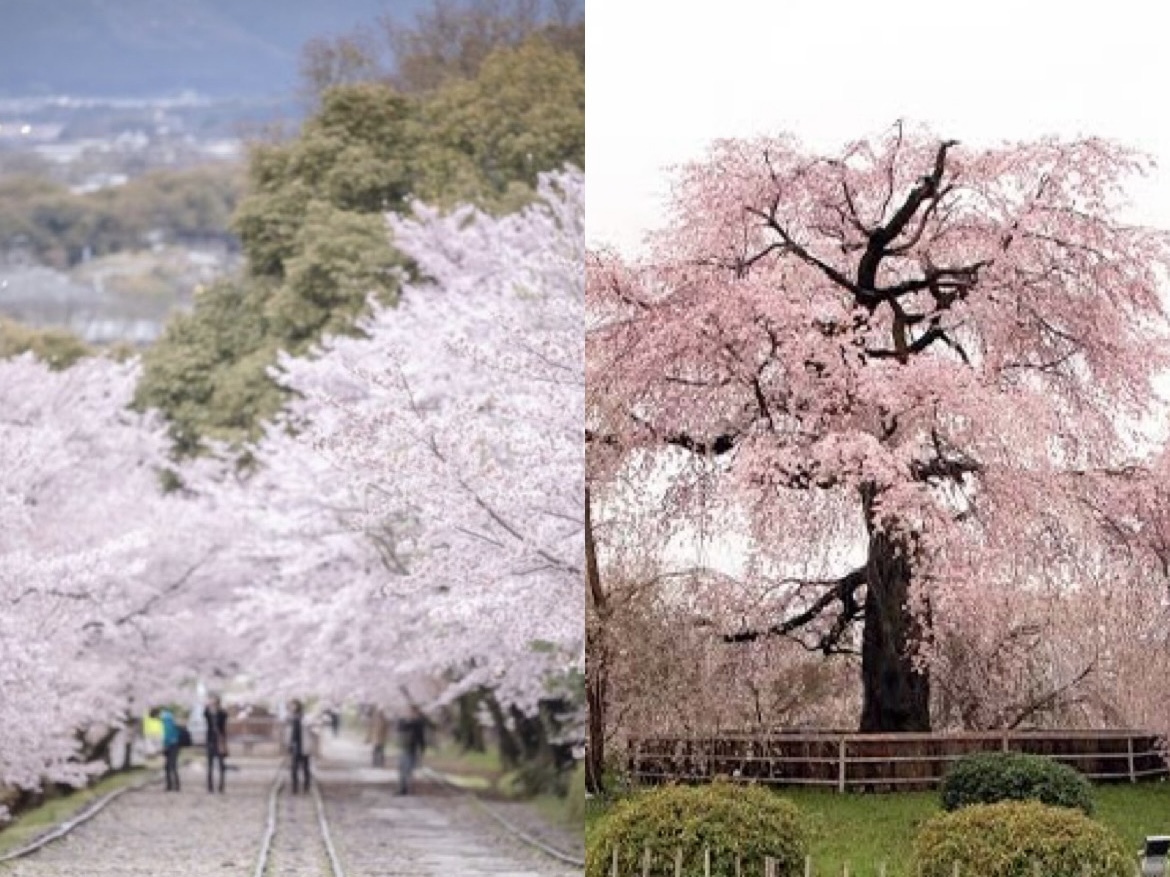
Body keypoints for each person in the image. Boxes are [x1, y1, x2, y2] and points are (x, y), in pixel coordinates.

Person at [396, 705, 429, 795]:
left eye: (412, 712)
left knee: (408, 769)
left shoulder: (417, 723)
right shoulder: (404, 722)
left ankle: (407, 788)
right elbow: (399, 728)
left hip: (411, 748)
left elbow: (421, 737)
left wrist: (422, 748)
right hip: (404, 747)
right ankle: (403, 788)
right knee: (402, 768)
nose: (410, 714)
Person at [204, 695, 228, 793]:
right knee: (210, 765)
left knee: (221, 765)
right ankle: (210, 786)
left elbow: (224, 719)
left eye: (214, 702)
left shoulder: (222, 714)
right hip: (210, 740)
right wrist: (208, 706)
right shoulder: (208, 714)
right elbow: (205, 712)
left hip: (219, 741)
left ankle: (221, 786)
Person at [287, 699, 311, 794]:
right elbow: (290, 734)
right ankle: (295, 787)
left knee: (305, 767)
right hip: (296, 745)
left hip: (303, 744)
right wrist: (290, 744)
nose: (292, 707)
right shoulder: (291, 718)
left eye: (293, 705)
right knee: (294, 768)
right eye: (291, 705)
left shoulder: (304, 717)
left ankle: (306, 786)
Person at [160, 707, 181, 792]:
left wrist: (164, 745)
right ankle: (176, 785)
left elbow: (166, 735)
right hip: (175, 744)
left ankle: (170, 785)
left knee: (168, 766)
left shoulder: (164, 722)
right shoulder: (173, 721)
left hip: (168, 745)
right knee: (173, 765)